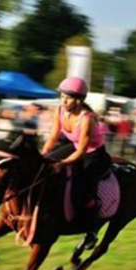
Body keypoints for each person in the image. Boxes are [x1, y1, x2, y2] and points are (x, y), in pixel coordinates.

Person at [41, 76, 112, 248]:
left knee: (82, 186)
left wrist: (62, 164)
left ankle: (92, 228)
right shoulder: (59, 111)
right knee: (45, 165)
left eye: (69, 97)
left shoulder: (86, 118)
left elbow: (82, 150)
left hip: (93, 154)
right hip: (75, 147)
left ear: (79, 100)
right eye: (62, 96)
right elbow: (53, 136)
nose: (64, 101)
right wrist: (42, 155)